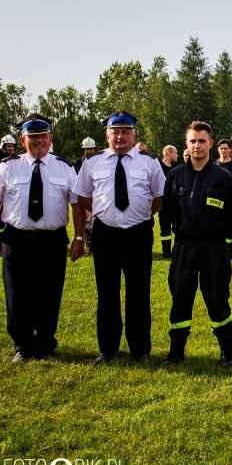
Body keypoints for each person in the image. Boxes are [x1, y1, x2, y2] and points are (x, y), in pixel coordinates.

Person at [73, 110, 165, 365]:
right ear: (107, 135)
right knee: (107, 293)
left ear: (134, 135)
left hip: (138, 234)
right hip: (105, 234)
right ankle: (108, 348)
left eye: (126, 132)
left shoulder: (149, 162)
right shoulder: (93, 163)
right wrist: (105, 211)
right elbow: (82, 196)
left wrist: (141, 214)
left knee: (139, 292)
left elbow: (159, 197)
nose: (121, 137)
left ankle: (140, 349)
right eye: (116, 132)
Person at [0, 114, 86, 363]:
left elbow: (77, 205)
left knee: (49, 293)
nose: (39, 141)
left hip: (52, 239)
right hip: (17, 239)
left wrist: (79, 237)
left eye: (43, 136)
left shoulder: (65, 167)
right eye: (33, 137)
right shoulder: (7, 166)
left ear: (50, 139)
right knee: (17, 294)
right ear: (22, 140)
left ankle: (46, 344)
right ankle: (23, 346)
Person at [161, 122, 232, 367]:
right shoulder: (175, 176)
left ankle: (226, 352)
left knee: (217, 298)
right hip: (184, 247)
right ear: (186, 144)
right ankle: (176, 352)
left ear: (211, 144)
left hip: (214, 248)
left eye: (202, 141)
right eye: (192, 141)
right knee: (180, 298)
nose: (197, 145)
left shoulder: (223, 177)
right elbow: (168, 209)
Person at [215, 139, 232, 259]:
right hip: (218, 203)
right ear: (218, 149)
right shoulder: (214, 166)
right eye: (221, 148)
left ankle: (231, 252)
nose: (224, 150)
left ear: (229, 150)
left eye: (226, 148)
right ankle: (220, 250)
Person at [158, 145, 179, 258]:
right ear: (169, 153)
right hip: (163, 204)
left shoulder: (176, 170)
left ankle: (177, 251)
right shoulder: (157, 167)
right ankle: (166, 252)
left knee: (177, 227)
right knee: (164, 228)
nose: (177, 155)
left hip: (175, 204)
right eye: (175, 153)